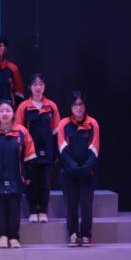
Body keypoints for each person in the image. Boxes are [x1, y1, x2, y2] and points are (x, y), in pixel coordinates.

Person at [0, 101, 35, 248]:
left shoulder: (22, 132)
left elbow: (30, 157)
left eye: (8, 110)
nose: (5, 114)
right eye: (1, 111)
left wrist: (28, 176)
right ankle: (2, 236)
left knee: (15, 209)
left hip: (17, 178)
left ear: (13, 113)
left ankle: (14, 237)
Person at [57, 91, 101, 246]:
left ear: (85, 106)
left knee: (87, 207)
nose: (78, 108)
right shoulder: (63, 124)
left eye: (81, 104)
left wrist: (85, 168)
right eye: (75, 105)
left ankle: (86, 234)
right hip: (68, 173)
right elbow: (62, 148)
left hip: (87, 173)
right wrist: (73, 167)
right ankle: (73, 234)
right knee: (71, 207)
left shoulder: (93, 124)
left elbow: (95, 148)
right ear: (71, 107)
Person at [14, 74, 60, 222]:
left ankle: (43, 211)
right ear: (30, 87)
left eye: (41, 84)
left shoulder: (51, 106)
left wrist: (56, 152)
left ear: (44, 86)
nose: (38, 87)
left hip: (47, 150)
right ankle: (33, 210)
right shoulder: (23, 107)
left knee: (45, 182)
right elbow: (19, 131)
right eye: (35, 84)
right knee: (31, 181)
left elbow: (56, 131)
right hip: (29, 151)